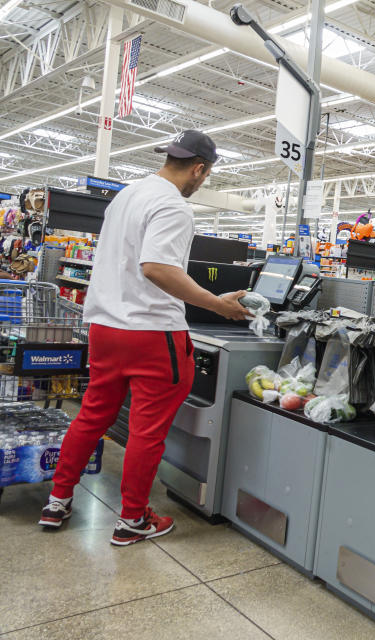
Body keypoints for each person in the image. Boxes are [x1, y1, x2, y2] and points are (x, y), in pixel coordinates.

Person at [39, 130, 251, 546]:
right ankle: (133, 519)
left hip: (105, 329)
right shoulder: (174, 206)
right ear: (200, 169)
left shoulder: (127, 195)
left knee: (91, 416)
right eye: (204, 175)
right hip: (152, 334)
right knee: (147, 431)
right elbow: (156, 268)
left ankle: (58, 500)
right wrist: (216, 304)